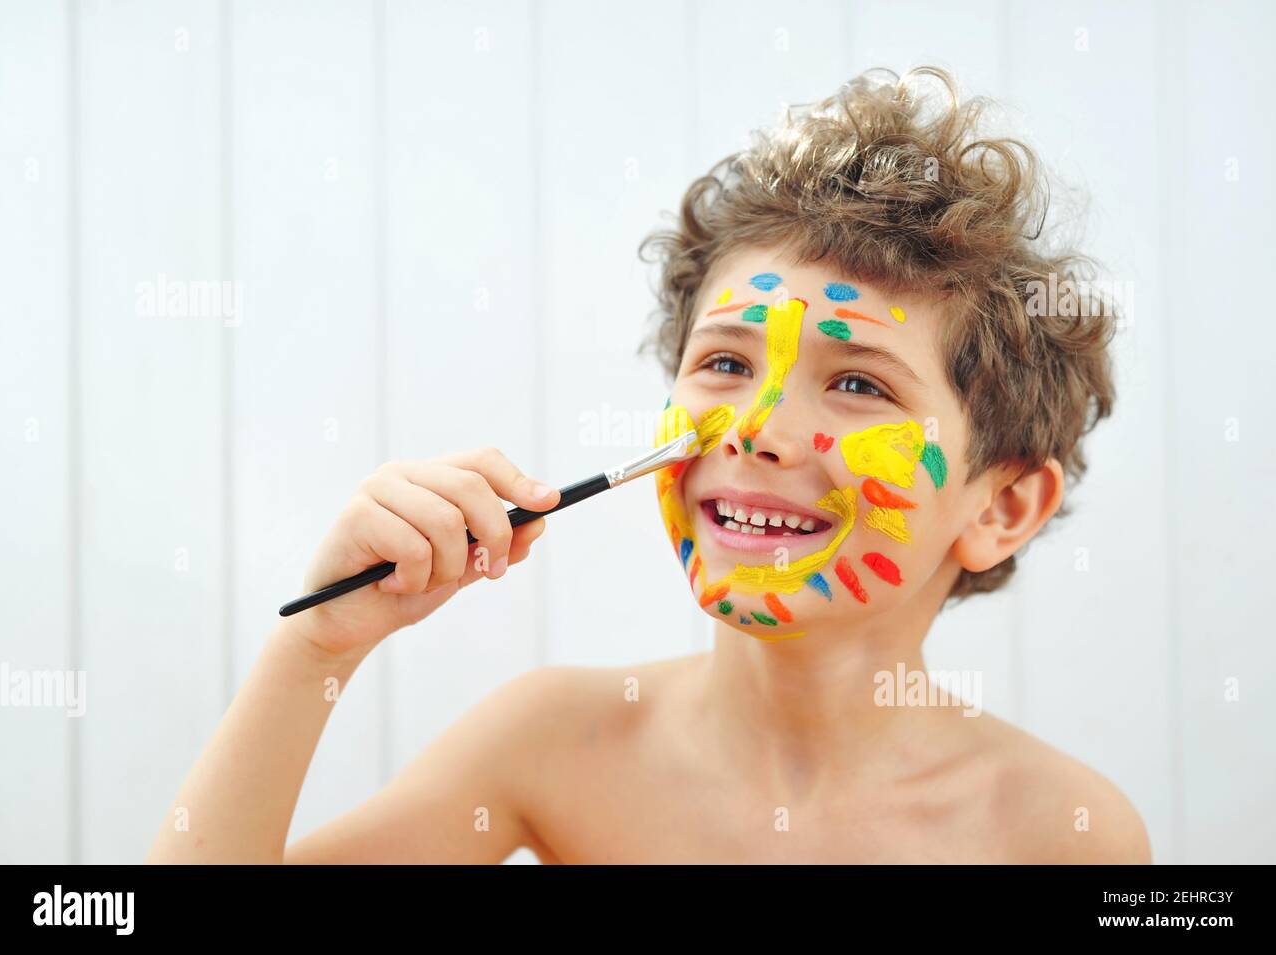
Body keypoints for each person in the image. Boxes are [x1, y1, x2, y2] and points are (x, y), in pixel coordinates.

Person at [146, 66, 1150, 864]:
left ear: (1005, 504)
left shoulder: (1059, 831)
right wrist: (317, 647)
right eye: (723, 362)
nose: (754, 429)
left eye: (856, 386)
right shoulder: (552, 740)